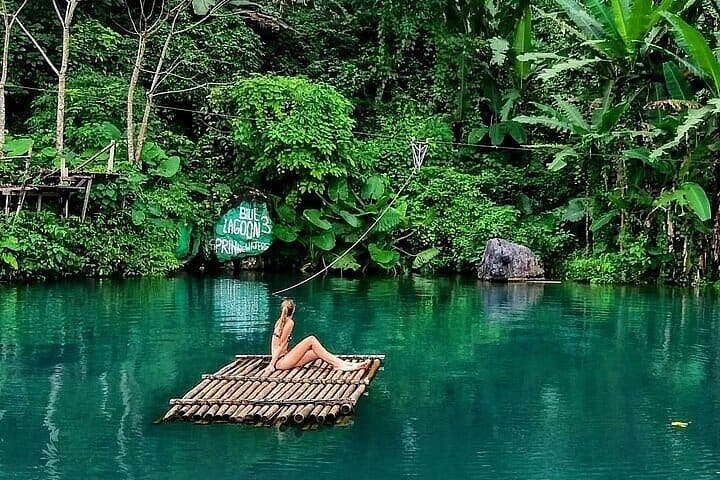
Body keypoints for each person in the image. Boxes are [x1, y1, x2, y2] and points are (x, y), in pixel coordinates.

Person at [263, 299, 370, 374]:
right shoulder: (289, 322)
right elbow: (281, 345)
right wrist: (271, 365)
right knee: (311, 339)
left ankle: (344, 364)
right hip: (281, 362)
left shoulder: (280, 321)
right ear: (294, 310)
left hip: (283, 359)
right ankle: (341, 365)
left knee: (317, 352)